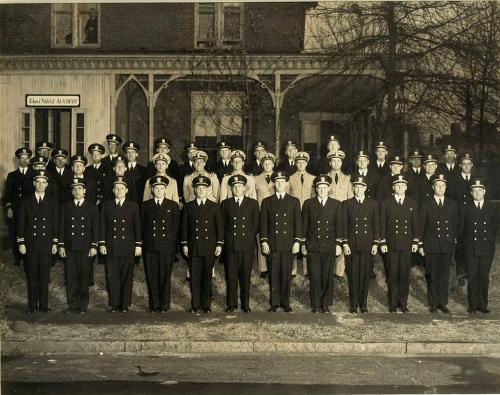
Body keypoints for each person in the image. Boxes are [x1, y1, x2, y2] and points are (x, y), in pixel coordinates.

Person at [16, 170, 59, 313]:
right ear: (34, 183)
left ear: (47, 184)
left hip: (46, 244)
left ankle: (44, 306)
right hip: (30, 244)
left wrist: (54, 243)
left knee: (44, 277)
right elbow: (20, 223)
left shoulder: (52, 202)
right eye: (38, 182)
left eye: (43, 182)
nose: (40, 185)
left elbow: (55, 224)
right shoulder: (25, 201)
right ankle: (32, 307)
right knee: (32, 277)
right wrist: (21, 242)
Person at [180, 175, 224, 314]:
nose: (201, 190)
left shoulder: (214, 207)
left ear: (207, 190)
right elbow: (184, 227)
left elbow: (220, 228)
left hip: (209, 246)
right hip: (194, 246)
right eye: (198, 188)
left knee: (207, 277)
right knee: (194, 276)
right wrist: (185, 244)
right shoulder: (188, 206)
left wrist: (219, 244)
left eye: (203, 188)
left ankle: (206, 305)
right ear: (194, 190)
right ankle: (195, 305)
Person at [260, 171, 302, 312]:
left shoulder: (294, 201)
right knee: (273, 274)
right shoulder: (267, 202)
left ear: (286, 183)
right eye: (277, 182)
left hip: (288, 244)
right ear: (273, 183)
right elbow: (263, 224)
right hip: (273, 244)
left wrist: (297, 242)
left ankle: (285, 303)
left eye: (282, 182)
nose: (279, 184)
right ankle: (274, 303)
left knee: (286, 274)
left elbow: (298, 224)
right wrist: (264, 241)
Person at [99, 176, 142, 312]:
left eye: (122, 188)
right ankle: (114, 303)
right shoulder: (107, 205)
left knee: (126, 276)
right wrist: (102, 243)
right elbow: (103, 226)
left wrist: (138, 245)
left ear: (126, 190)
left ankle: (124, 304)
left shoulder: (133, 206)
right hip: (111, 246)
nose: (119, 190)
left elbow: (137, 227)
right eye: (117, 188)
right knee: (112, 276)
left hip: (127, 246)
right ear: (113, 190)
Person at [301, 175, 342, 313]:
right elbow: (304, 226)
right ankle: (315, 303)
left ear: (329, 188)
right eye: (319, 187)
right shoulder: (308, 204)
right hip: (313, 245)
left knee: (327, 275)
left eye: (325, 187)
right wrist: (303, 243)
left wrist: (338, 244)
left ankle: (325, 303)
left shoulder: (336, 204)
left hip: (329, 245)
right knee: (314, 275)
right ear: (316, 189)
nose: (322, 190)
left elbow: (339, 227)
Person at [379, 174, 420, 313]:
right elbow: (382, 223)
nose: (400, 187)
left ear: (406, 187)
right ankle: (392, 304)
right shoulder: (386, 203)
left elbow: (415, 224)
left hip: (406, 244)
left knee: (404, 275)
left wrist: (416, 241)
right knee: (392, 274)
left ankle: (403, 303)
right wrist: (382, 241)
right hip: (391, 244)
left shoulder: (412, 203)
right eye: (397, 185)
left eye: (402, 185)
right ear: (393, 187)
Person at [58, 178, 99, 314]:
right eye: (74, 189)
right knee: (71, 276)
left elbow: (95, 228)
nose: (77, 191)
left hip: (85, 247)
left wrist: (94, 246)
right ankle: (72, 304)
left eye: (80, 188)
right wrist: (61, 245)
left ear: (85, 191)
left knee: (83, 276)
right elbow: (62, 227)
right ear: (72, 191)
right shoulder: (66, 207)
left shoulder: (91, 207)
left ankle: (82, 305)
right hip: (69, 247)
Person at [220, 175, 260, 313]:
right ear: (231, 188)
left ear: (245, 188)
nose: (237, 189)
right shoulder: (225, 204)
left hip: (247, 245)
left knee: (245, 276)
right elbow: (222, 225)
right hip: (231, 246)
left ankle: (245, 304)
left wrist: (249, 238)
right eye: (234, 186)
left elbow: (256, 225)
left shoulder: (252, 203)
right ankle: (231, 304)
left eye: (240, 186)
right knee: (231, 276)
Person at [418, 174, 457, 314]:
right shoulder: (426, 204)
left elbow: (455, 225)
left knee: (444, 275)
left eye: (443, 185)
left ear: (445, 187)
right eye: (437, 185)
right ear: (433, 187)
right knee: (432, 275)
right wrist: (420, 244)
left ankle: (443, 303)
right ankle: (433, 303)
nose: (440, 188)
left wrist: (453, 240)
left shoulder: (452, 204)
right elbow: (421, 225)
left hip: (446, 245)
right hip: (431, 245)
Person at [141, 175, 180, 313]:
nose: (158, 191)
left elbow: (176, 228)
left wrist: (173, 247)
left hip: (166, 246)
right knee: (151, 275)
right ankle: (154, 305)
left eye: (161, 188)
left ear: (165, 189)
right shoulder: (145, 206)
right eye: (156, 188)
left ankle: (164, 305)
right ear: (152, 189)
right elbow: (142, 226)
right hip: (150, 246)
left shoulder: (173, 206)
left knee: (165, 276)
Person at [459, 179, 498, 314]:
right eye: (474, 191)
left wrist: (490, 242)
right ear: (471, 193)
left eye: (479, 190)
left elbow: (494, 228)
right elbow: (462, 229)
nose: (477, 193)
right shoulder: (466, 208)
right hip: (471, 248)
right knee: (473, 276)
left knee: (483, 276)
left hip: (486, 248)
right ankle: (473, 305)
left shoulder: (492, 208)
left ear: (484, 192)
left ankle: (483, 305)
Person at [342, 176, 380, 314]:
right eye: (356, 187)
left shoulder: (373, 204)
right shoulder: (346, 204)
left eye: (361, 187)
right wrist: (345, 243)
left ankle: (363, 304)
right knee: (353, 274)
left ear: (365, 188)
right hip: (352, 245)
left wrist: (376, 243)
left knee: (365, 275)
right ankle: (353, 304)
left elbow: (376, 225)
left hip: (367, 244)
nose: (358, 189)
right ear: (353, 188)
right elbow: (344, 226)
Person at [326, 150, 353, 279]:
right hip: (329, 215)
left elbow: (350, 198)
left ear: (341, 162)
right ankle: (329, 269)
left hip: (342, 214)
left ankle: (339, 272)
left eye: (338, 161)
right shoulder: (324, 178)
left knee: (342, 240)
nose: (336, 163)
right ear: (330, 162)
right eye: (333, 161)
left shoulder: (347, 179)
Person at [287, 151, 315, 277]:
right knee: (294, 238)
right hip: (294, 213)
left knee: (307, 239)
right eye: (298, 162)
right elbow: (287, 196)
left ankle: (307, 269)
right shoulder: (290, 178)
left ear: (307, 163)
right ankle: (292, 269)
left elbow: (314, 196)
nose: (300, 165)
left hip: (309, 213)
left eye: (303, 163)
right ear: (295, 163)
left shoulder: (313, 178)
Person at [449, 153, 475, 286]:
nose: (466, 166)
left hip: (472, 217)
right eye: (464, 164)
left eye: (468, 164)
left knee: (470, 243)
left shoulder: (476, 180)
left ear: (472, 165)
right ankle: (460, 272)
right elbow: (451, 200)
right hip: (459, 217)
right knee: (459, 245)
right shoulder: (454, 180)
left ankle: (470, 271)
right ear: (460, 165)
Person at [5, 147, 34, 266]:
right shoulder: (12, 175)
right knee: (15, 232)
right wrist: (9, 207)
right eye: (21, 158)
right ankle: (16, 257)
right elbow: (8, 193)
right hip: (16, 209)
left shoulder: (33, 174)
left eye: (26, 158)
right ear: (18, 160)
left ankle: (27, 256)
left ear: (29, 159)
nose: (24, 160)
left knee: (29, 231)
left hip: (29, 209)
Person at [254, 152, 277, 277]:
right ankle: (263, 268)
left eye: (269, 164)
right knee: (261, 238)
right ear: (262, 165)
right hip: (261, 212)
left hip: (276, 213)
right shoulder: (256, 179)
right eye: (265, 164)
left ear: (273, 164)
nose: (267, 166)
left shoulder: (279, 178)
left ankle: (274, 264)